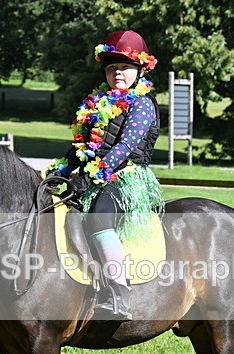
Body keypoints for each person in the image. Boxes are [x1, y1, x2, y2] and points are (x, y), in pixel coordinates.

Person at [47, 30, 163, 321]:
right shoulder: (96, 104)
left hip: (127, 178)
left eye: (124, 68)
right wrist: (59, 171)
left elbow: (124, 146)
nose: (118, 73)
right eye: (112, 68)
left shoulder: (142, 105)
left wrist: (92, 176)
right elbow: (81, 146)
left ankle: (119, 293)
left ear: (139, 70)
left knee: (99, 217)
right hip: (94, 176)